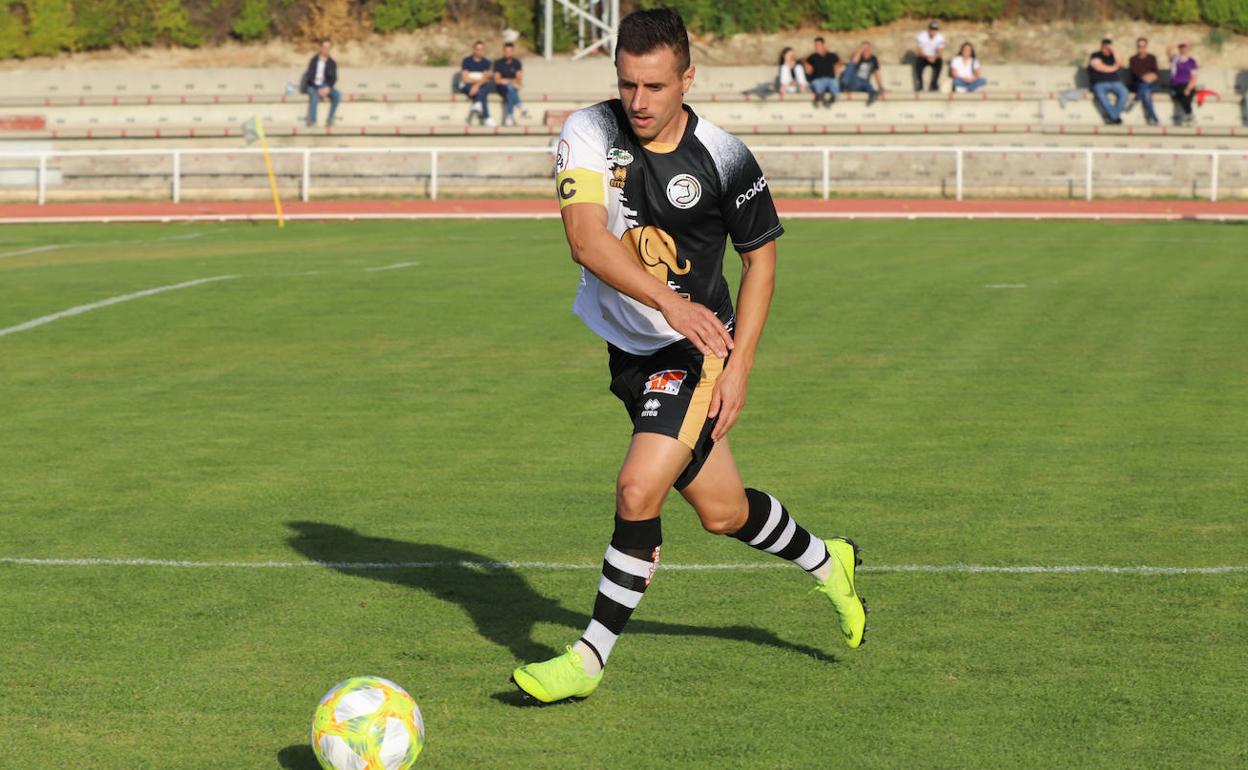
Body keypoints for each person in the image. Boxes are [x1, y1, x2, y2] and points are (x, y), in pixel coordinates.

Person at [511, 7, 867, 705]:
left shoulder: (725, 156)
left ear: (687, 78)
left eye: (654, 87)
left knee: (638, 490)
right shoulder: (588, 130)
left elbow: (761, 261)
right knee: (723, 512)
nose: (638, 103)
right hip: (632, 347)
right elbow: (585, 239)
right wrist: (666, 300)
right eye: (627, 85)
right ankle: (831, 562)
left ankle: (588, 657)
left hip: (695, 347)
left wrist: (739, 365)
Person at [1088, 38, 1129, 125]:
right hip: (1099, 83)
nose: (1107, 49)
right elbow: (1100, 67)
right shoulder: (1095, 55)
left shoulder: (1113, 55)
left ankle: (1112, 117)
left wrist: (1114, 51)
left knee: (1125, 94)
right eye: (1105, 47)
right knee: (1103, 98)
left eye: (1109, 47)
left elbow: (1121, 63)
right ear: (1101, 47)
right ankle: (1115, 117)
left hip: (1115, 82)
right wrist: (1114, 67)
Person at [302, 39, 341, 128]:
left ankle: (330, 119)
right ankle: (312, 121)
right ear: (321, 48)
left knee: (337, 95)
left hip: (325, 85)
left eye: (328, 47)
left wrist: (328, 88)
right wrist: (317, 88)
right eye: (324, 47)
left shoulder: (332, 63)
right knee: (315, 96)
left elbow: (334, 78)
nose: (326, 49)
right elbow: (309, 76)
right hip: (312, 85)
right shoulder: (313, 61)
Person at [492, 41, 529, 127]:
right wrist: (512, 81)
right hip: (501, 88)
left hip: (512, 87)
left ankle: (509, 116)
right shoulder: (498, 63)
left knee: (510, 90)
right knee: (510, 88)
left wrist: (507, 80)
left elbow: (519, 78)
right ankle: (520, 105)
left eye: (509, 51)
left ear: (512, 51)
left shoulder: (516, 63)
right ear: (503, 51)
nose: (508, 53)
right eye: (506, 51)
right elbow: (497, 80)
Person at [459, 40, 495, 127]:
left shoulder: (486, 62)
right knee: (483, 90)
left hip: (479, 86)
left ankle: (478, 104)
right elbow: (465, 78)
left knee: (485, 87)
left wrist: (476, 85)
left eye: (482, 49)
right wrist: (478, 83)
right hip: (467, 86)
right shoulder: (467, 60)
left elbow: (486, 78)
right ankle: (487, 117)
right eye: (478, 49)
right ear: (474, 50)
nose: (480, 52)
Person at [1127, 37, 1161, 126]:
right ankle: (1153, 118)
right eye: (1139, 46)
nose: (1141, 49)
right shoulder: (1133, 59)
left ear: (1146, 47)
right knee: (1146, 91)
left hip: (1152, 83)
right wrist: (1145, 77)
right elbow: (1136, 74)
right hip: (1138, 84)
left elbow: (1156, 73)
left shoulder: (1152, 58)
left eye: (1143, 46)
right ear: (1137, 47)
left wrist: (1150, 77)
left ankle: (1135, 100)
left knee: (1146, 88)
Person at [1168, 41, 1199, 126]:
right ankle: (1190, 114)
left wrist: (1188, 88)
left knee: (1188, 94)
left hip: (1188, 84)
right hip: (1176, 84)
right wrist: (1180, 41)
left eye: (1185, 47)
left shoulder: (1191, 61)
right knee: (1182, 93)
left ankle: (1189, 115)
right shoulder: (1175, 58)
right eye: (1181, 47)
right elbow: (1169, 49)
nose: (1183, 49)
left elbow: (1194, 77)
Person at [844, 42, 884, 106]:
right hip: (854, 82)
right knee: (861, 80)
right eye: (864, 49)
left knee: (868, 85)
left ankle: (872, 94)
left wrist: (881, 87)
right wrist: (860, 51)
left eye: (868, 48)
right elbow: (852, 63)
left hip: (865, 84)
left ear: (871, 49)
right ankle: (844, 85)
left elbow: (877, 73)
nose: (866, 50)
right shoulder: (858, 56)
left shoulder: (873, 59)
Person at [804, 36, 841, 107]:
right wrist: (806, 65)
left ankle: (832, 99)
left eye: (818, 45)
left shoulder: (832, 56)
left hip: (830, 79)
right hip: (818, 79)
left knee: (834, 83)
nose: (817, 47)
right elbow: (804, 60)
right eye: (816, 45)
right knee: (817, 83)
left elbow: (840, 61)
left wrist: (838, 66)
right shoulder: (812, 57)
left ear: (823, 45)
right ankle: (821, 97)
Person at [914, 20, 945, 92]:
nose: (933, 31)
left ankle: (934, 83)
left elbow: (940, 52)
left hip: (934, 57)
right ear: (929, 29)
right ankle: (920, 83)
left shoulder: (940, 37)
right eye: (932, 29)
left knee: (939, 62)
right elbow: (919, 51)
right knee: (918, 62)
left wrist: (934, 57)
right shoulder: (921, 36)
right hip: (924, 57)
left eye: (935, 29)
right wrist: (927, 57)